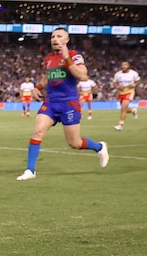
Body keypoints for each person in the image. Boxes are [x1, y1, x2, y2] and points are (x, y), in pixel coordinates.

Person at [16, 27, 109, 181]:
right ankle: (30, 170)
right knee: (37, 132)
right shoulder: (48, 59)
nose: (55, 39)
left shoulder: (74, 55)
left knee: (75, 143)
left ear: (66, 40)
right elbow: (47, 78)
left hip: (69, 104)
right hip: (51, 103)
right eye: (53, 36)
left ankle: (99, 147)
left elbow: (83, 76)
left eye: (59, 36)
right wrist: (37, 87)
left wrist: (67, 59)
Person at [112, 61, 139, 131]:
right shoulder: (118, 74)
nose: (123, 66)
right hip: (121, 93)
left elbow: (138, 81)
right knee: (124, 109)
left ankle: (120, 125)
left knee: (123, 107)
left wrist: (134, 84)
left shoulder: (133, 73)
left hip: (130, 92)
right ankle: (133, 110)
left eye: (125, 65)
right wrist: (118, 87)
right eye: (122, 65)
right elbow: (114, 83)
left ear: (128, 66)